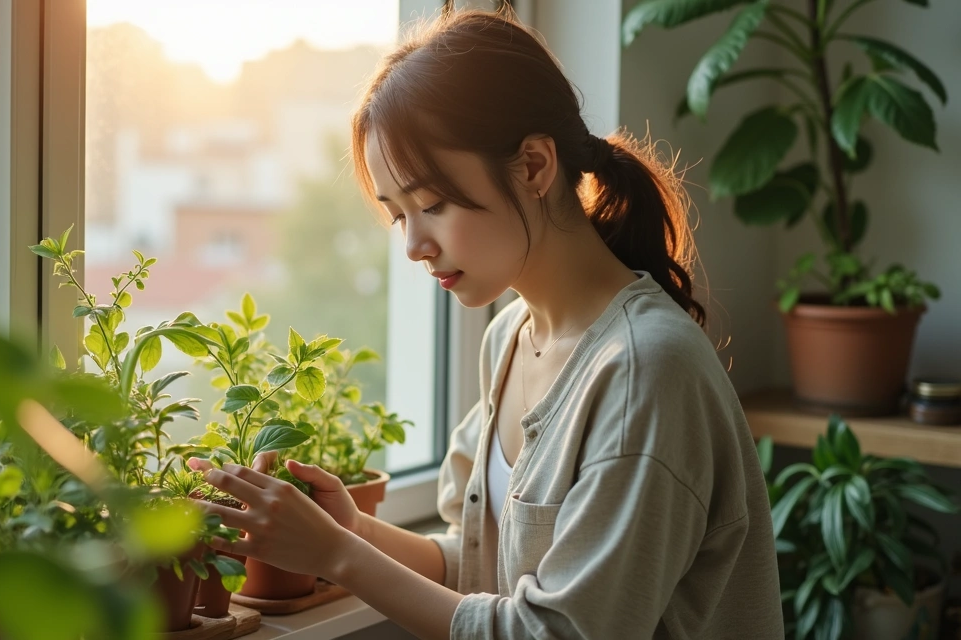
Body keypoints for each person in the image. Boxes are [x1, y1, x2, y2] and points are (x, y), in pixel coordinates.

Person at [187, 8, 783, 639]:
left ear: (533, 166)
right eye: (398, 216)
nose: (415, 245)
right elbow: (484, 567)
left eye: (433, 204)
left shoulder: (645, 372)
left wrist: (336, 556)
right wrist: (351, 529)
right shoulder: (510, 337)